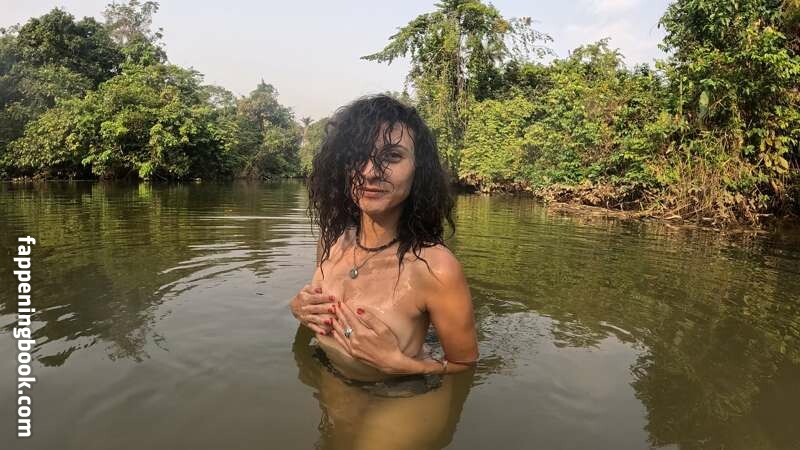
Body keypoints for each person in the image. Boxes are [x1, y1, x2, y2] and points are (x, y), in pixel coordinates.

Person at [290, 94, 479, 382]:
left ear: (419, 169)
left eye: (391, 156)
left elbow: (465, 366)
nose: (369, 172)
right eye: (358, 155)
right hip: (326, 383)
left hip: (397, 395)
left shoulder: (436, 268)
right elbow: (316, 314)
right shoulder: (332, 242)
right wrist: (299, 309)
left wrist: (402, 365)